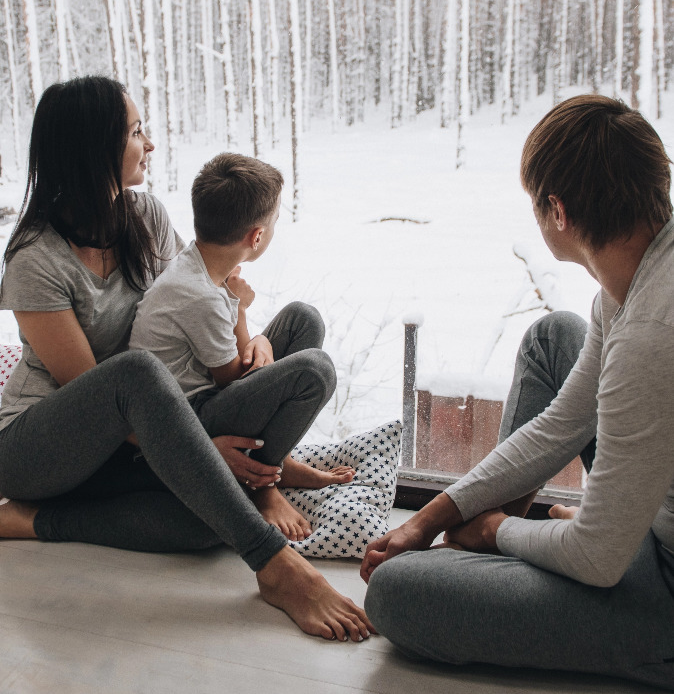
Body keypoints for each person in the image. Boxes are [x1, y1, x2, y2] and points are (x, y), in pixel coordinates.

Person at [0, 75, 373, 642]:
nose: (149, 143)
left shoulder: (145, 215)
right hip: (46, 442)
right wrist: (197, 447)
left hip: (151, 413)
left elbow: (202, 292)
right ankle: (275, 567)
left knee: (298, 327)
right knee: (138, 379)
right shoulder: (34, 260)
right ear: (93, 148)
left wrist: (255, 339)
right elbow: (98, 389)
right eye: (136, 131)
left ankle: (256, 476)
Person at [361, 95, 674, 689]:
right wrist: (429, 518)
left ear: (557, 210)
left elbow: (600, 560)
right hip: (642, 518)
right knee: (554, 336)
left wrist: (496, 533)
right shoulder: (632, 281)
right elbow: (565, 422)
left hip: (658, 576)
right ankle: (529, 538)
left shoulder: (654, 334)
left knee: (400, 594)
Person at [130, 153, 355, 541]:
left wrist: (256, 336)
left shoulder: (197, 262)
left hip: (205, 393)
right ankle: (263, 482)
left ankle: (277, 460)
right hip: (187, 417)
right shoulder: (199, 295)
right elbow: (229, 377)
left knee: (303, 318)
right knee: (315, 370)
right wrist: (243, 317)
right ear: (256, 236)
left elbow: (231, 361)